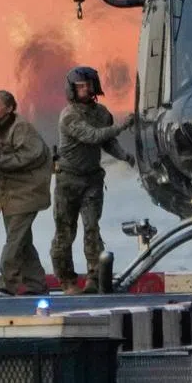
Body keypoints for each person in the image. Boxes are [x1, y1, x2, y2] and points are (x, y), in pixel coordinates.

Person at [50, 66, 134, 294]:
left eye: (88, 85)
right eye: (80, 86)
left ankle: (94, 278)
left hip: (92, 180)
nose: (85, 90)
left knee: (92, 229)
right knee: (65, 232)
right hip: (68, 180)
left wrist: (125, 156)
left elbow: (106, 142)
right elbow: (93, 136)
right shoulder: (69, 115)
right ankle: (67, 281)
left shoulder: (102, 112)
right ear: (72, 89)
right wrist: (122, 126)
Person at [0, 89, 52, 296]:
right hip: (7, 194)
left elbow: (32, 155)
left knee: (14, 240)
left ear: (10, 108)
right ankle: (36, 282)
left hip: (27, 191)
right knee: (22, 240)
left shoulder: (22, 128)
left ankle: (7, 283)